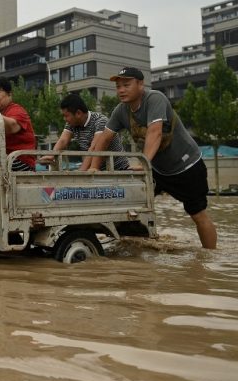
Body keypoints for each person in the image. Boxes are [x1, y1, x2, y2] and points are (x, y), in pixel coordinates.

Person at [93, 67, 217, 249]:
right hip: (156, 170)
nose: (121, 90)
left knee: (197, 214)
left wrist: (144, 163)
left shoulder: (155, 99)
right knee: (131, 206)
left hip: (187, 167)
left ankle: (210, 257)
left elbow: (155, 132)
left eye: (126, 85)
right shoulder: (121, 111)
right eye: (118, 86)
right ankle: (133, 248)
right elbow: (105, 137)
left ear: (140, 84)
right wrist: (94, 167)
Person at [40, 93, 129, 171]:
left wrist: (80, 174)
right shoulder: (72, 123)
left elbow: (93, 148)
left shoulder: (100, 121)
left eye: (66, 116)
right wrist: (52, 155)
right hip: (97, 171)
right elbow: (63, 140)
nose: (65, 119)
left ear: (78, 113)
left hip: (118, 170)